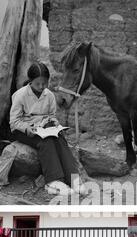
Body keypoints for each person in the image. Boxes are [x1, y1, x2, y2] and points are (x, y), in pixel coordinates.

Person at [9, 61, 86, 197]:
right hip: (23, 130)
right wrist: (27, 129)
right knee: (46, 141)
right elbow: (14, 122)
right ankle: (54, 182)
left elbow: (51, 116)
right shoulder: (20, 95)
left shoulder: (49, 95)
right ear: (30, 81)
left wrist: (55, 123)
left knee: (59, 138)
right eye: (37, 83)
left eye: (44, 83)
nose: (41, 87)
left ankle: (74, 179)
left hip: (43, 127)